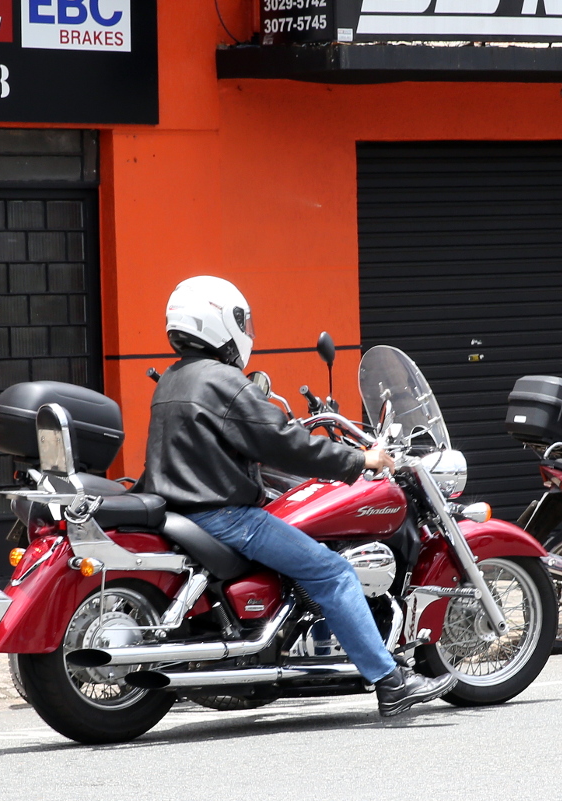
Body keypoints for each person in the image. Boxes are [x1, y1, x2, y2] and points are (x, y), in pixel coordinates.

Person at [139, 275, 457, 717]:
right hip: (225, 515)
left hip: (186, 510)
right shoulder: (223, 381)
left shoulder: (173, 380)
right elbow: (283, 440)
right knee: (334, 574)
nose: (246, 330)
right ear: (219, 322)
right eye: (240, 321)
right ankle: (390, 681)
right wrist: (359, 461)